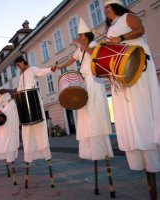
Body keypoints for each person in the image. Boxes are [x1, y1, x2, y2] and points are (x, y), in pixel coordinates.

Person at [103, 1, 160, 199]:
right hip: (120, 71)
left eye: (108, 7)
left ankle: (149, 143)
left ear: (117, 7)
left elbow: (140, 29)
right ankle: (139, 150)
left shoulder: (127, 17)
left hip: (136, 62)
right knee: (128, 111)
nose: (105, 11)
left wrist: (120, 38)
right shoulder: (110, 27)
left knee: (142, 106)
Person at [56, 18, 115, 196]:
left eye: (81, 35)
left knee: (95, 114)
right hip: (83, 83)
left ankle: (101, 146)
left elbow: (95, 55)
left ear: (87, 35)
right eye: (78, 35)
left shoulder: (94, 44)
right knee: (85, 114)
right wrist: (57, 66)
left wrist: (82, 45)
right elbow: (69, 60)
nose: (79, 37)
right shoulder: (79, 49)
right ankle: (91, 144)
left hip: (94, 83)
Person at [14, 55, 57, 188]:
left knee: (39, 130)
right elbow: (19, 90)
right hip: (25, 104)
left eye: (18, 65)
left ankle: (45, 152)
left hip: (33, 100)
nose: (18, 68)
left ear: (22, 62)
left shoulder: (32, 69)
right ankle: (29, 154)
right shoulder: (21, 76)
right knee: (27, 133)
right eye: (17, 67)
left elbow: (41, 71)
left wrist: (51, 68)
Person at [0, 88, 20, 186]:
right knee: (3, 132)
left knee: (9, 131)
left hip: (10, 107)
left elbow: (1, 91)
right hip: (6, 108)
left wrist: (11, 90)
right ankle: (4, 149)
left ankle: (9, 150)